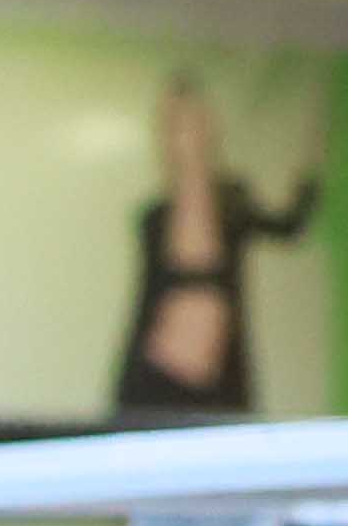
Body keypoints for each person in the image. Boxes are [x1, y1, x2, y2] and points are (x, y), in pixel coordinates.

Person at [107, 76, 318, 420]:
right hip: (157, 380)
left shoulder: (233, 208)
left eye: (194, 124)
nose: (187, 137)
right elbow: (148, 302)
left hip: (218, 382)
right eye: (176, 126)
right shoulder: (156, 219)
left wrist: (309, 179)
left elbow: (288, 227)